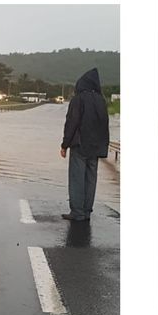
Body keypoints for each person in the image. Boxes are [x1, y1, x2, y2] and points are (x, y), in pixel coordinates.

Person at [60, 68, 109, 221]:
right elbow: (105, 125)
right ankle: (87, 211)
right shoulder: (102, 101)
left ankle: (77, 211)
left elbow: (72, 122)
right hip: (96, 147)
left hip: (80, 145)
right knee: (90, 178)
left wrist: (65, 144)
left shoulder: (79, 99)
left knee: (77, 178)